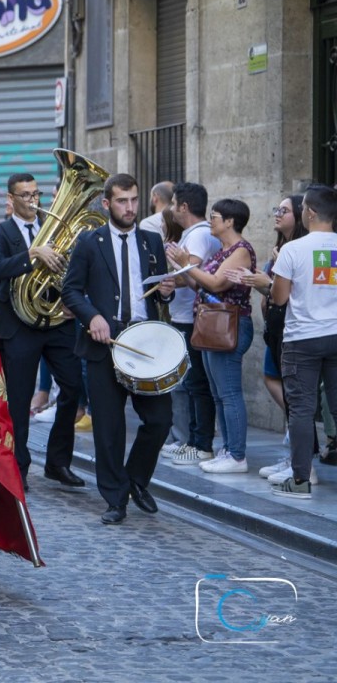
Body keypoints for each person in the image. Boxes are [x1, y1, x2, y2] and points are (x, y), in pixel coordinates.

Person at [62, 173, 177, 525]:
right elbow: (71, 291)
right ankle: (115, 499)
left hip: (144, 345)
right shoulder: (88, 242)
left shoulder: (150, 241)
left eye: (134, 200)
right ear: (107, 203)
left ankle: (136, 480)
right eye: (123, 201)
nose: (130, 207)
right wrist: (92, 317)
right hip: (104, 345)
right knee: (108, 430)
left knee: (160, 420)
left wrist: (167, 290)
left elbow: (157, 291)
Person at [0, 172, 84, 490]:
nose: (32, 200)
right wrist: (31, 255)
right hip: (17, 325)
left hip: (56, 323)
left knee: (73, 389)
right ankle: (18, 466)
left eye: (36, 194)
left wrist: (70, 300)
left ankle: (57, 462)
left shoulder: (54, 230)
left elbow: (71, 271)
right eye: (25, 195)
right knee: (20, 399)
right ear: (10, 199)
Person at [169, 198, 256, 474]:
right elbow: (201, 285)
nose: (211, 220)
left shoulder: (241, 250)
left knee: (229, 393)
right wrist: (181, 270)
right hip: (211, 324)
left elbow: (217, 284)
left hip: (229, 324)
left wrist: (186, 264)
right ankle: (228, 450)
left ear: (230, 221)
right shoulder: (222, 249)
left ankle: (238, 455)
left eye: (215, 216)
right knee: (218, 393)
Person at [269, 184, 337, 499]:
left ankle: (299, 482)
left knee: (301, 409)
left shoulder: (292, 249)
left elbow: (279, 298)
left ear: (308, 212)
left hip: (302, 340)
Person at [161, 182, 221, 466]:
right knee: (193, 382)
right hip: (186, 315)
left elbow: (194, 277)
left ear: (184, 207)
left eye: (173, 204)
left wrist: (173, 271)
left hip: (192, 317)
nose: (171, 210)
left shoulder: (197, 236)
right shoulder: (195, 234)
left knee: (197, 384)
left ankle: (200, 444)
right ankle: (193, 441)